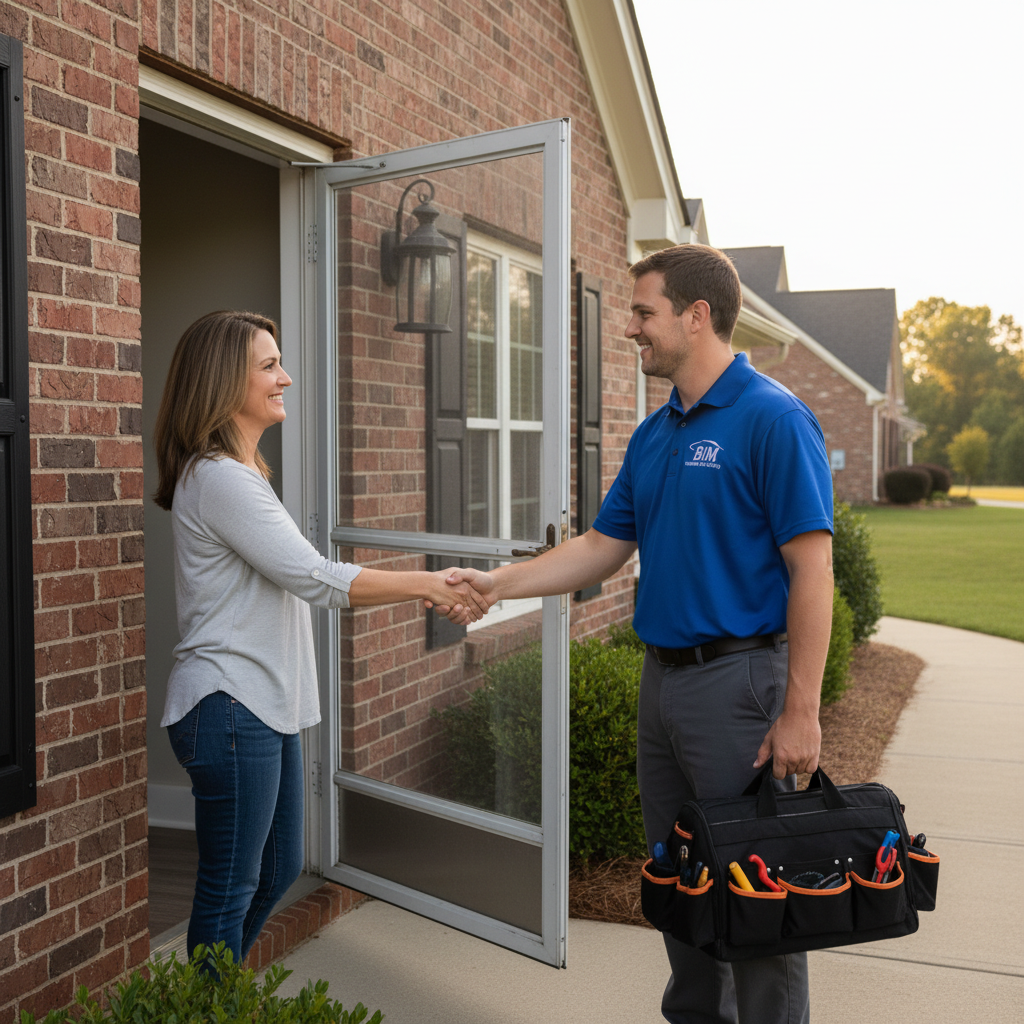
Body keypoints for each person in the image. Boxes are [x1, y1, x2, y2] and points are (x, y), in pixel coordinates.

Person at [440, 245, 834, 1024]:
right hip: (664, 686)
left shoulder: (773, 419)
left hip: (741, 688)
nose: (629, 329)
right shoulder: (656, 434)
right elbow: (601, 546)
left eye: (642, 311)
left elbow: (813, 571)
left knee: (757, 898)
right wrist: (498, 585)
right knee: (682, 879)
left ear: (697, 315)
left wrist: (803, 708)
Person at [153, 310, 488, 965]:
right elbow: (318, 578)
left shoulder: (243, 475)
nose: (285, 377)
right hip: (228, 706)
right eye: (268, 365)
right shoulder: (220, 478)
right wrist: (428, 585)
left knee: (274, 874)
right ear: (225, 382)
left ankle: (215, 999)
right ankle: (205, 1010)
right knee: (230, 888)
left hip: (261, 705)